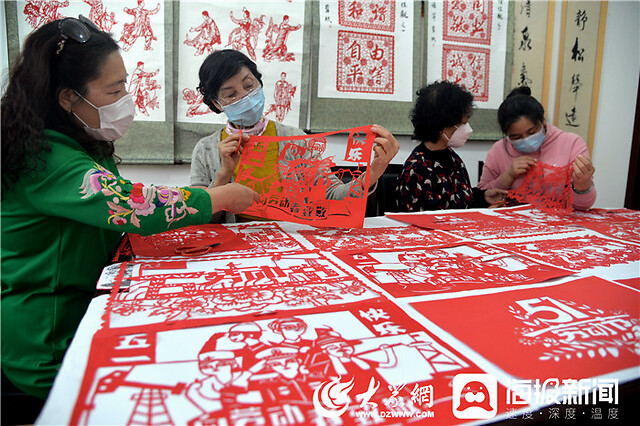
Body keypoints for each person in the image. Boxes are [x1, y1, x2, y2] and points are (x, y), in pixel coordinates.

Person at [0, 16, 259, 404]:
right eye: (115, 88)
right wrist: (220, 197)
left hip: (89, 303)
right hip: (50, 338)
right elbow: (138, 205)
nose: (126, 99)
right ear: (69, 97)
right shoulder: (46, 158)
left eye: (126, 85)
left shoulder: (82, 145)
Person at [190, 49, 400, 222]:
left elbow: (332, 197)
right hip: (234, 255)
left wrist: (375, 171)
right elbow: (198, 220)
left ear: (259, 83)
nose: (245, 97)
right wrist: (223, 174)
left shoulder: (294, 140)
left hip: (289, 250)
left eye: (248, 85)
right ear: (217, 103)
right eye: (231, 94)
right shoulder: (205, 149)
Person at [478, 86, 596, 210]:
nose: (526, 139)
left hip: (560, 223)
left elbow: (583, 206)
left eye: (532, 132)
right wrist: (508, 176)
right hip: (515, 224)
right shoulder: (499, 150)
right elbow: (482, 196)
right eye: (516, 136)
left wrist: (582, 185)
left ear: (543, 122)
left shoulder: (572, 143)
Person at [395, 81, 506, 211]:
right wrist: (484, 214)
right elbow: (434, 220)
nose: (467, 128)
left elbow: (458, 200)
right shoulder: (416, 170)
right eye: (462, 123)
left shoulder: (453, 158)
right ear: (441, 125)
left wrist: (483, 197)